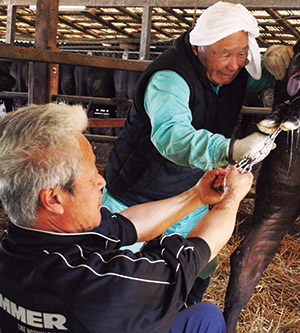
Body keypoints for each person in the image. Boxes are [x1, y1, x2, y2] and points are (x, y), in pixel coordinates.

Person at [0, 103, 253, 332]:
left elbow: (125, 225)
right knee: (207, 318)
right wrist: (231, 199)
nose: (102, 181)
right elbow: (191, 255)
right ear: (54, 199)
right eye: (92, 177)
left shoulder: (18, 243)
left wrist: (196, 195)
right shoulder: (101, 287)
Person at [102, 1, 293, 303]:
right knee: (118, 278)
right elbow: (171, 136)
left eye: (242, 53)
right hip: (138, 195)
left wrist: (281, 60)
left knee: (195, 269)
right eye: (224, 54)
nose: (234, 63)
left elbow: (269, 74)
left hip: (192, 193)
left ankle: (184, 313)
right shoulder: (169, 78)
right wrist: (229, 149)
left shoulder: (236, 70)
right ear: (198, 48)